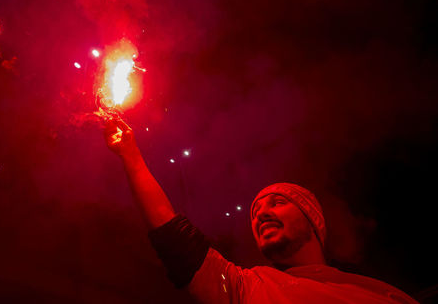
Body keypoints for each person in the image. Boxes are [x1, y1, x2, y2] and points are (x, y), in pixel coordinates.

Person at [104, 118, 419, 304]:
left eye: (278, 202)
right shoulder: (247, 287)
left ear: (313, 220)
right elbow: (176, 241)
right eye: (255, 211)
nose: (261, 213)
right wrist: (130, 155)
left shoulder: (384, 295)